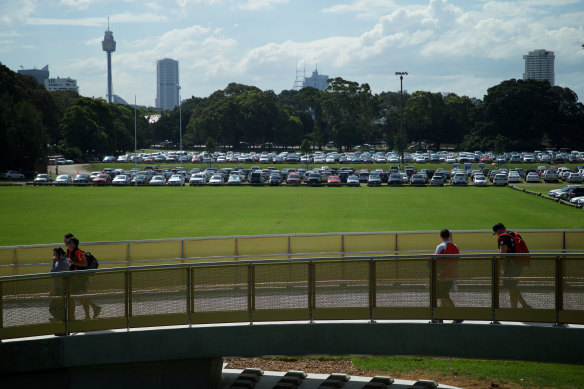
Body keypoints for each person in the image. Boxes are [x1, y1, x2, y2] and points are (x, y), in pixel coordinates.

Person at [492, 222, 531, 309]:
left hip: (511, 265)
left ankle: (514, 309)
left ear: (498, 230)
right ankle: (524, 305)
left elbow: (503, 253)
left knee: (511, 287)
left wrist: (499, 267)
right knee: (513, 285)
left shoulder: (503, 237)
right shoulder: (515, 234)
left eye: (496, 233)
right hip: (520, 263)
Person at [66, 237, 101, 319]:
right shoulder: (71, 252)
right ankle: (91, 311)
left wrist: (72, 262)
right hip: (76, 278)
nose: (68, 244)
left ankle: (93, 309)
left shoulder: (78, 252)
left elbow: (84, 263)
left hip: (80, 278)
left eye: (70, 242)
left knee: (82, 295)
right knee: (82, 296)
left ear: (74, 244)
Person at [433, 229, 463, 324]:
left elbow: (434, 260)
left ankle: (457, 316)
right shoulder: (455, 247)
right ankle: (440, 318)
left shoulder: (441, 246)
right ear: (449, 236)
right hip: (451, 275)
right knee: (442, 296)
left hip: (442, 276)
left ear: (441, 236)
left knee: (444, 296)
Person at [49, 247, 70, 322]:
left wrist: (53, 263)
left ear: (60, 254)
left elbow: (52, 274)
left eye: (55, 255)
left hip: (61, 288)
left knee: (53, 307)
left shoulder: (63, 263)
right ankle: (60, 320)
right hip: (59, 287)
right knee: (57, 306)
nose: (54, 257)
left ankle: (61, 321)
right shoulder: (62, 262)